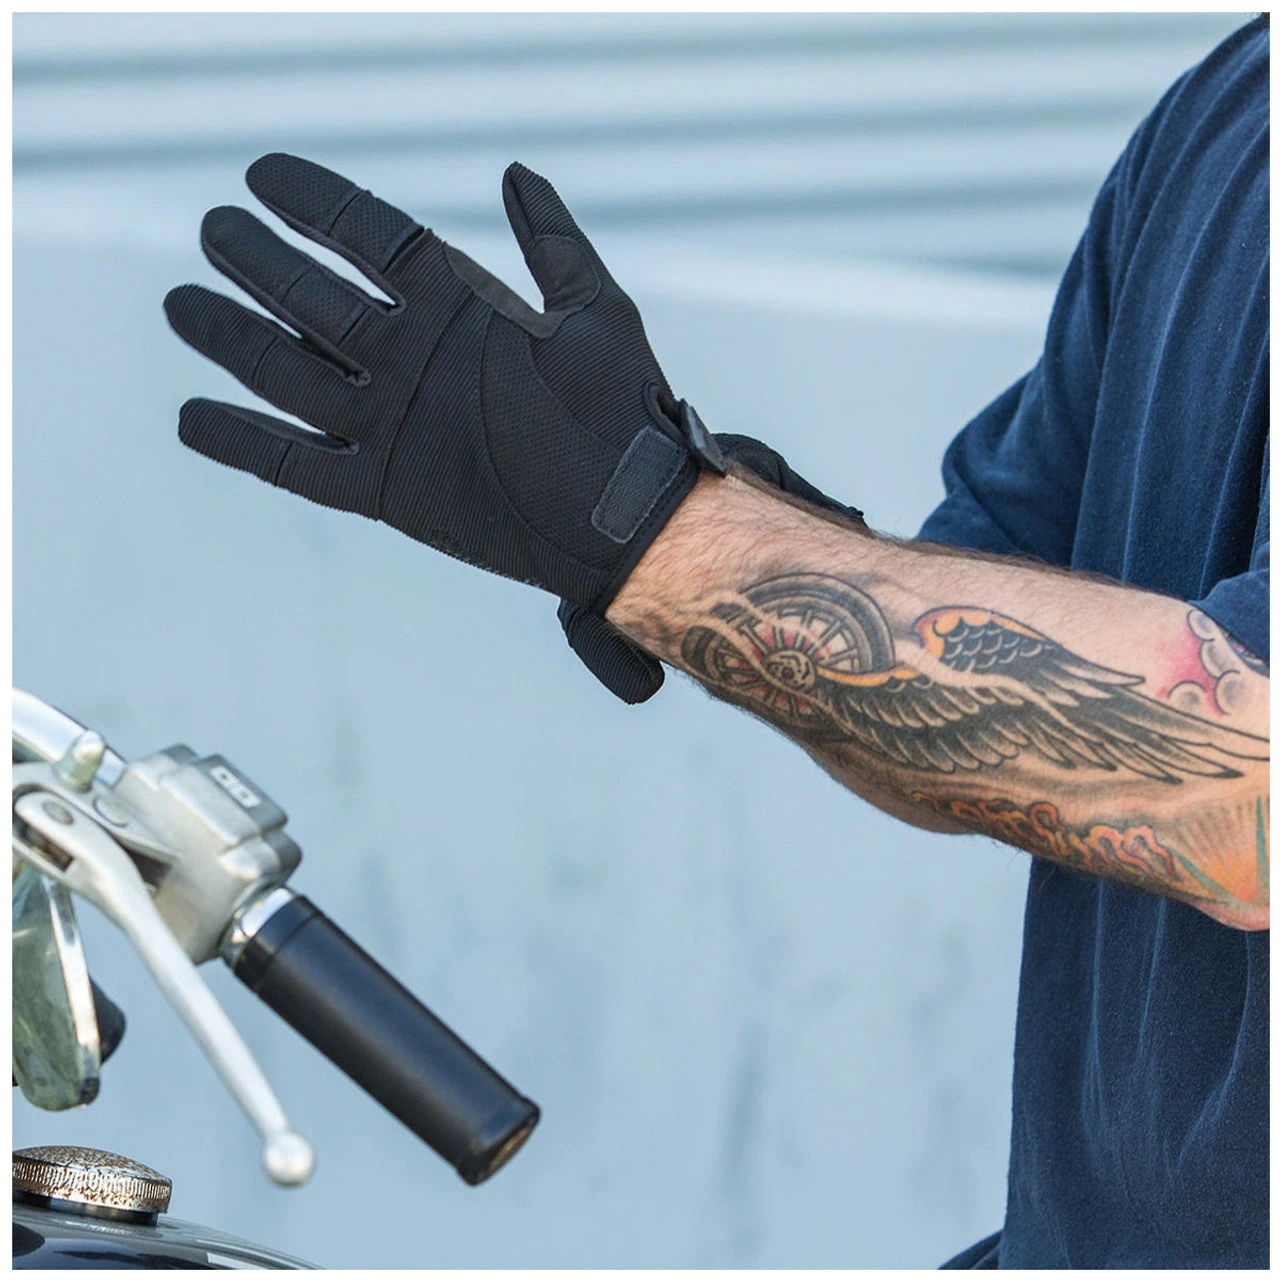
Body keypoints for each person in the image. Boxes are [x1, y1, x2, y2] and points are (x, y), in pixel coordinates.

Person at [164, 15, 1268, 1268]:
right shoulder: (1227, 111)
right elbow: (968, 711)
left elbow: (1236, 796)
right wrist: (707, 516)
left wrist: (660, 529)